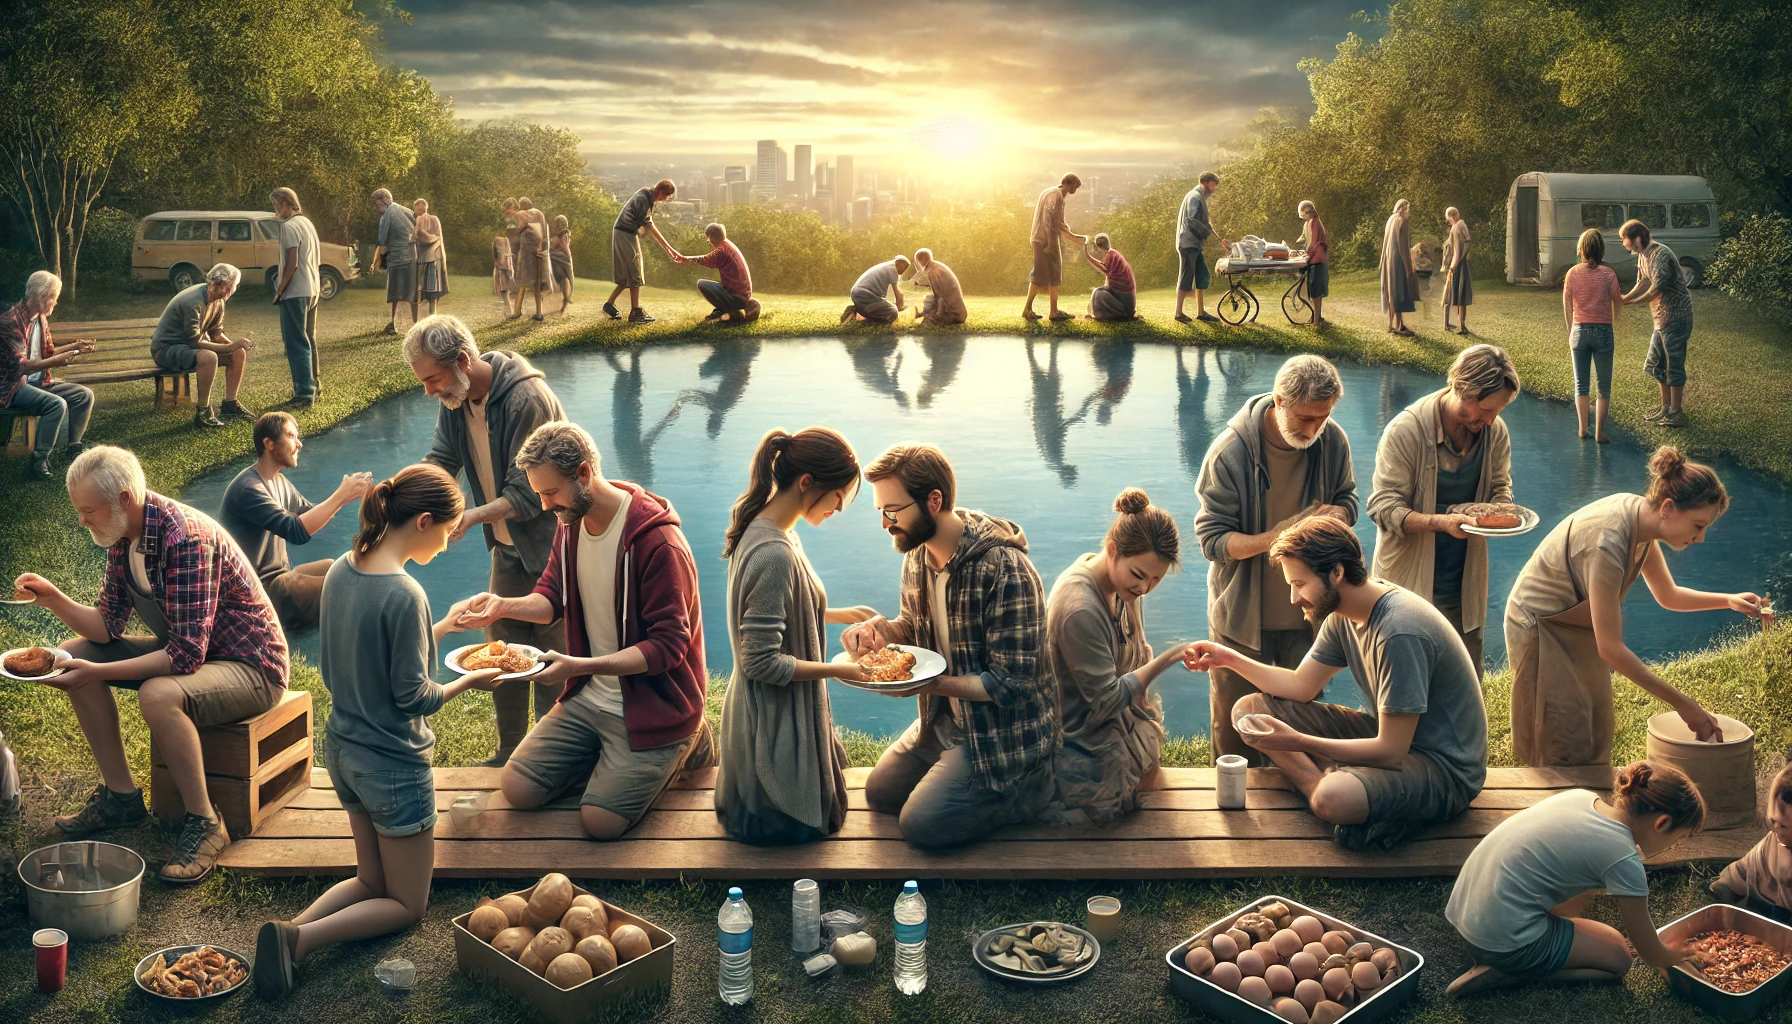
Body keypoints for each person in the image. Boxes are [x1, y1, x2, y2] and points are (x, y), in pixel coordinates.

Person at [252, 464, 504, 999]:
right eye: (447, 533)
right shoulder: (406, 593)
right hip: (392, 764)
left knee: (371, 880)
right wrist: (469, 680)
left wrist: (441, 628)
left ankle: (286, 931)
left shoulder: (345, 568)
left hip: (344, 751)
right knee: (406, 904)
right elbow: (414, 696)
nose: (447, 544)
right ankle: (299, 943)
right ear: (425, 521)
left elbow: (371, 651)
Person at [14, 446, 288, 883]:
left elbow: (184, 657)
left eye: (89, 511)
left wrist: (100, 673)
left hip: (250, 666)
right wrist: (53, 598)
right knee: (71, 656)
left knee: (157, 693)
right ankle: (121, 798)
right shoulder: (123, 536)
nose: (83, 521)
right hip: (197, 653)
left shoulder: (185, 539)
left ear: (124, 498)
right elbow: (106, 627)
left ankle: (206, 823)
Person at [448, 421, 713, 840]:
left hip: (654, 706)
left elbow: (668, 648)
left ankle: (686, 744)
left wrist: (576, 666)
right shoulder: (570, 523)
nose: (544, 504)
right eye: (538, 493)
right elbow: (551, 597)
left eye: (550, 492)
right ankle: (609, 762)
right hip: (591, 697)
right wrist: (502, 605)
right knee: (518, 787)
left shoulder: (657, 543)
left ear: (585, 473)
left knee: (600, 824)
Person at [1186, 517, 1488, 851]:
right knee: (1249, 711)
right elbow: (1301, 685)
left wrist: (1299, 741)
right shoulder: (1344, 614)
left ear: (1337, 573)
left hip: (1444, 770)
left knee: (1333, 797)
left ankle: (1329, 796)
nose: (1293, 598)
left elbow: (1390, 750)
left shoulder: (1398, 631)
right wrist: (1226, 657)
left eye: (1299, 583)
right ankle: (1335, 788)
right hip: (1394, 742)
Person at [843, 444, 1058, 848]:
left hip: (1001, 736)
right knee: (880, 793)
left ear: (934, 500)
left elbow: (1012, 684)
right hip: (944, 722)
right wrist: (880, 632)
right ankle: (951, 771)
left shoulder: (1006, 570)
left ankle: (1027, 787)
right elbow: (913, 625)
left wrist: (928, 685)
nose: (886, 523)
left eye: (892, 510)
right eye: (880, 512)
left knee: (921, 826)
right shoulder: (916, 553)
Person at [1506, 445, 1765, 766]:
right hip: (1541, 627)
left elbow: (1667, 594)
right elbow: (1611, 649)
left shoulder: (1643, 524)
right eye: (1698, 526)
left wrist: (1728, 600)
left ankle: (1586, 803)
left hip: (1576, 626)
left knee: (1595, 723)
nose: (1701, 539)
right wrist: (1685, 705)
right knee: (1559, 732)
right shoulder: (1609, 542)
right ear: (1668, 507)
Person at [406, 315, 567, 764]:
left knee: (552, 653)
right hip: (508, 547)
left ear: (461, 361)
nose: (429, 390)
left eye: (432, 379)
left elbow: (528, 492)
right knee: (503, 647)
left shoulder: (526, 399)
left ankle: (549, 755)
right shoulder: (456, 397)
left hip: (553, 545)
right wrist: (404, 493)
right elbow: (441, 458)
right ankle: (511, 750)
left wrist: (467, 517)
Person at [1194, 354, 1357, 764]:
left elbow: (1348, 500)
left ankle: (1302, 815)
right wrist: (1278, 537)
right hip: (1241, 620)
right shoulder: (1229, 452)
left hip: (1309, 618)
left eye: (1322, 418)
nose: (1314, 429)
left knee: (1302, 731)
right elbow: (1212, 541)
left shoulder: (1332, 439)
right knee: (1235, 738)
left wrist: (1339, 515)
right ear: (1279, 402)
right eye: (1305, 418)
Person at [716, 427, 872, 844]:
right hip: (772, 719)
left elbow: (777, 607)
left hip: (758, 709)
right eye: (838, 496)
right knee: (796, 829)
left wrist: (834, 613)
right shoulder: (774, 552)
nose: (840, 509)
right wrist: (846, 672)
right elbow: (761, 662)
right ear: (807, 483)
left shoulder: (768, 525)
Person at [1443, 761, 1706, 996]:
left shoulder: (1580, 798)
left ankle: (1514, 953)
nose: (1674, 845)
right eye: (1678, 838)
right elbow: (1649, 952)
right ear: (1661, 824)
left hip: (1466, 916)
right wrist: (1679, 953)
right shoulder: (1623, 859)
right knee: (1619, 960)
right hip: (1502, 942)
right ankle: (1515, 972)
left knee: (1608, 937)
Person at [1039, 489, 1191, 827]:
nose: (1146, 588)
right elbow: (1104, 701)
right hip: (1078, 732)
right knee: (1110, 815)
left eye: (1156, 579)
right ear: (1112, 550)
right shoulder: (1080, 609)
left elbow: (1135, 656)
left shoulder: (1123, 585)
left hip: (1114, 722)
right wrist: (1171, 657)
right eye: (1139, 575)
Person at [1367, 345, 1520, 676]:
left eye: (1499, 410)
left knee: (1465, 684)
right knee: (1403, 684)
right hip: (1406, 583)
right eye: (1487, 408)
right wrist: (1440, 523)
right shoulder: (1405, 430)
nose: (1492, 419)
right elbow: (1382, 507)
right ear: (1463, 389)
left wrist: (1503, 505)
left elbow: (1500, 485)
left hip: (1464, 584)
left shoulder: (1495, 432)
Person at [219, 412, 371, 630]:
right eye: (291, 436)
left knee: (335, 567)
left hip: (279, 580)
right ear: (269, 444)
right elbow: (295, 531)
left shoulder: (278, 481)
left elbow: (309, 514)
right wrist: (340, 495)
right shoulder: (249, 488)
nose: (299, 444)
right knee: (339, 583)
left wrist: (346, 497)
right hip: (252, 593)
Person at [2, 270, 94, 478]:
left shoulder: (40, 319)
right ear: (42, 297)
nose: (55, 302)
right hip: (12, 387)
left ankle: (73, 447)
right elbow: (21, 367)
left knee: (83, 395)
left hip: (37, 381)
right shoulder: (11, 322)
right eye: (54, 297)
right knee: (55, 404)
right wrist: (55, 362)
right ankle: (39, 463)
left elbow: (48, 353)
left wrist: (75, 347)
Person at [150, 263, 254, 429]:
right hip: (166, 349)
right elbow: (195, 342)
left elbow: (216, 333)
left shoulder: (218, 301)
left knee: (238, 353)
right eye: (231, 287)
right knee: (208, 357)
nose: (232, 291)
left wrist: (234, 347)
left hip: (187, 348)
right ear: (218, 285)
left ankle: (230, 404)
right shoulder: (194, 302)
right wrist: (230, 346)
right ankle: (204, 412)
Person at [1621, 218, 1694, 427]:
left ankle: (1676, 412)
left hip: (1677, 317)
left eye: (1624, 239)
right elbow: (1642, 281)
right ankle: (1665, 407)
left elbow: (1656, 289)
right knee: (1655, 364)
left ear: (1637, 238)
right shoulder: (1643, 256)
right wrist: (1625, 298)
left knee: (1674, 365)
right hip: (1661, 319)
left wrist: (1634, 302)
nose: (1623, 243)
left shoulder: (1661, 254)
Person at [1711, 761, 1792, 922]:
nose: (1776, 828)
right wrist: (1724, 888)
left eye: (1783, 826)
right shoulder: (1772, 844)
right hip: (1759, 909)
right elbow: (1742, 871)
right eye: (1774, 822)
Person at [1563, 228, 1623, 443]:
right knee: (1603, 386)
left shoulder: (1572, 273)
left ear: (1582, 249)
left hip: (1579, 331)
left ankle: (1582, 429)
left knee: (1581, 383)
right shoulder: (1608, 274)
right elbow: (1618, 300)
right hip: (1603, 332)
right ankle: (1599, 432)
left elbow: (1567, 304)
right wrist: (1614, 322)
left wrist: (1571, 331)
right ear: (1601, 250)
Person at [270, 187, 322, 408]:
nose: (276, 211)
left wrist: (280, 291)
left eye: (276, 205)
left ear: (285, 203)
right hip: (313, 289)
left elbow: (292, 263)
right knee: (308, 337)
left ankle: (303, 393)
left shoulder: (289, 226)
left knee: (296, 341)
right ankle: (315, 384)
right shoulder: (307, 223)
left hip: (296, 291)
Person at [605, 179, 678, 324]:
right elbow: (649, 228)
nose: (665, 200)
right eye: (666, 196)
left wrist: (669, 248)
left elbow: (647, 226)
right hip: (625, 234)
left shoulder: (646, 196)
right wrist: (669, 248)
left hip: (625, 233)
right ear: (662, 192)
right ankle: (635, 312)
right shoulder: (643, 199)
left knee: (628, 275)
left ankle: (609, 304)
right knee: (635, 271)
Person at [1023, 173, 1088, 321]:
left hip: (1040, 239)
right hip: (1045, 240)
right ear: (1069, 184)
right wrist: (1050, 244)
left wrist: (1074, 237)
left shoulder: (1052, 192)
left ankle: (1038, 310)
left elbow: (1058, 222)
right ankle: (1047, 311)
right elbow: (1048, 220)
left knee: (1045, 274)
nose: (1075, 191)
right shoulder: (1056, 195)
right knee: (1048, 274)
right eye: (1075, 187)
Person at [670, 222, 759, 324]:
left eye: (707, 238)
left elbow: (706, 259)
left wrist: (684, 259)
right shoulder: (728, 245)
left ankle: (726, 311)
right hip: (744, 296)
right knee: (716, 285)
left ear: (711, 236)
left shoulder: (722, 250)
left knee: (702, 284)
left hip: (737, 298)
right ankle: (727, 311)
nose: (708, 242)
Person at [1176, 172, 1228, 323]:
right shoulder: (1194, 196)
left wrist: (1218, 238)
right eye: (1212, 185)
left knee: (1201, 274)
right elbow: (1192, 219)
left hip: (1194, 244)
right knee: (1185, 277)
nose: (1213, 189)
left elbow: (1205, 223)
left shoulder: (1200, 197)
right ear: (1205, 182)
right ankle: (1178, 313)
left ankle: (1201, 312)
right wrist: (1206, 232)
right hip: (1188, 243)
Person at [372, 188, 418, 335]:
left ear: (381, 201)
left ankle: (394, 325)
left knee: (394, 294)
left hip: (397, 259)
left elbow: (382, 242)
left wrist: (376, 262)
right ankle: (417, 324)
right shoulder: (407, 211)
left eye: (375, 203)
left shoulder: (386, 216)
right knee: (412, 293)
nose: (375, 206)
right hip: (412, 257)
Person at [513, 197, 554, 322]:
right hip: (539, 252)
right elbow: (545, 235)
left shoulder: (523, 214)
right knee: (538, 281)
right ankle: (539, 312)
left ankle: (517, 310)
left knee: (522, 281)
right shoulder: (540, 214)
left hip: (527, 252)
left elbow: (518, 229)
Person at [1380, 199, 1418, 335]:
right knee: (1399, 292)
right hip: (1398, 260)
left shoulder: (1391, 219)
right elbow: (1403, 247)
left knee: (1392, 291)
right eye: (1408, 208)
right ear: (1403, 208)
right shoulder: (1403, 221)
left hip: (1388, 258)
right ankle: (1399, 326)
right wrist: (1408, 266)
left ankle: (1391, 325)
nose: (1409, 211)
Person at [841, 256, 909, 325]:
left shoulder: (886, 266)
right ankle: (873, 323)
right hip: (865, 294)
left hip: (857, 293)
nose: (903, 272)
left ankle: (857, 310)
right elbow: (898, 294)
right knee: (893, 311)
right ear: (901, 263)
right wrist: (900, 306)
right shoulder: (893, 269)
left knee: (884, 306)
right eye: (905, 267)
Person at [1082, 233, 1136, 321]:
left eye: (1097, 246)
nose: (1096, 249)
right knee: (1096, 291)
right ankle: (1094, 313)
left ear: (1099, 246)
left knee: (1099, 294)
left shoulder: (1112, 255)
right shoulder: (1111, 254)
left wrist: (1087, 255)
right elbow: (1102, 265)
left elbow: (1103, 269)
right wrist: (1088, 255)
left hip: (1125, 298)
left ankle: (1106, 315)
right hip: (1121, 294)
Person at [410, 198, 448, 317]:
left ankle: (432, 315)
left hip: (431, 258)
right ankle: (427, 315)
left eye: (421, 205)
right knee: (426, 289)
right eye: (417, 206)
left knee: (431, 288)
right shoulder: (419, 221)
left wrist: (422, 234)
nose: (419, 208)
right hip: (426, 259)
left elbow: (435, 238)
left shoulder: (429, 219)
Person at [910, 248, 966, 326]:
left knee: (927, 322)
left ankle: (935, 317)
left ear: (921, 261)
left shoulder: (933, 272)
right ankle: (927, 314)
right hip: (956, 310)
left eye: (918, 261)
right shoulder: (936, 266)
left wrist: (938, 315)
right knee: (929, 300)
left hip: (953, 313)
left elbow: (940, 296)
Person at [1296, 200, 1329, 327]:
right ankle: (1316, 317)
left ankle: (1316, 321)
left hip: (1317, 259)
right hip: (1316, 258)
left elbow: (1313, 243)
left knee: (1316, 292)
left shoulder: (1314, 223)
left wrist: (1307, 254)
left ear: (1306, 213)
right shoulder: (1311, 223)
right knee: (1314, 290)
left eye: (1303, 215)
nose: (1303, 218)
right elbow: (1305, 240)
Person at [1441, 207, 1473, 334]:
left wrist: (1456, 262)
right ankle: (1458, 325)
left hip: (1456, 265)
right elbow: (1466, 243)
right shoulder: (1460, 226)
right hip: (1458, 264)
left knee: (1453, 294)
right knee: (1457, 295)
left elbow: (1464, 245)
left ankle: (1459, 325)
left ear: (1449, 217)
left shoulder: (1457, 227)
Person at [549, 214, 574, 314]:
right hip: (560, 260)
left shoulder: (554, 235)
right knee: (566, 279)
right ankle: (566, 300)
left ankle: (564, 302)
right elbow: (565, 247)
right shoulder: (564, 234)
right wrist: (569, 258)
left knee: (563, 280)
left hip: (553, 261)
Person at [491, 233, 515, 315]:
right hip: (507, 271)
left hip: (502, 273)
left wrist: (497, 263)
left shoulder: (502, 257)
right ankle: (508, 311)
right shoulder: (508, 255)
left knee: (505, 294)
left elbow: (498, 261)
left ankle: (508, 312)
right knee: (506, 294)